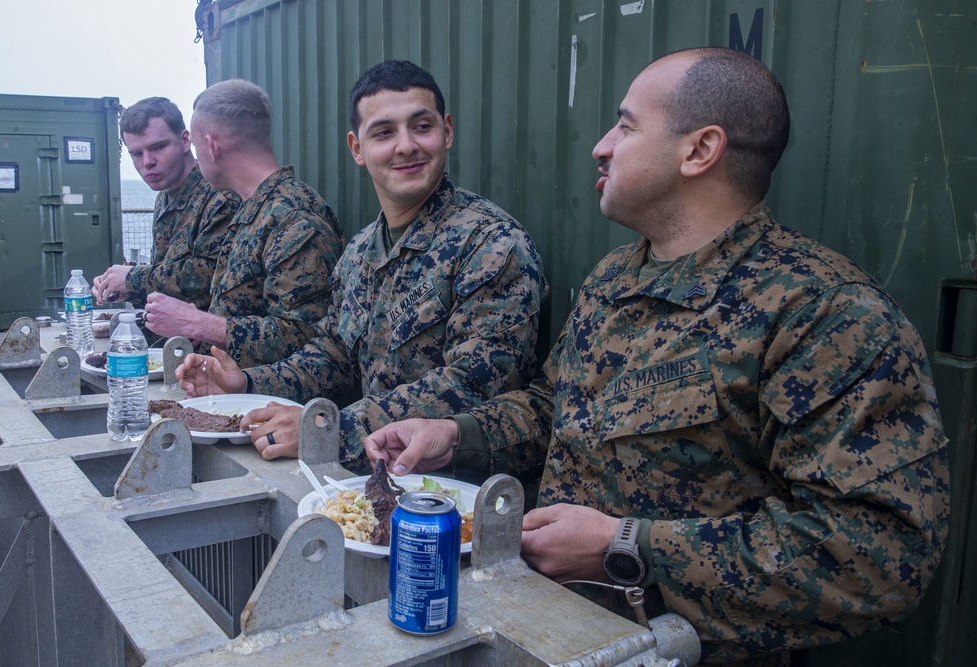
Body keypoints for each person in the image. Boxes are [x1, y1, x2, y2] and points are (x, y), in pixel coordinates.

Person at [363, 48, 950, 666]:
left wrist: (626, 547)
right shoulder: (616, 277)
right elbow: (554, 407)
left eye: (626, 125)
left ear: (699, 150)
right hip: (546, 631)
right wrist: (456, 435)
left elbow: (880, 557)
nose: (602, 145)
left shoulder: (822, 314)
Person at [177, 60, 547, 464]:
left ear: (447, 132)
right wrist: (247, 382)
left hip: (446, 493)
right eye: (384, 132)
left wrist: (327, 429)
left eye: (421, 126)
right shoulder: (360, 252)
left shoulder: (490, 244)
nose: (406, 145)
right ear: (357, 148)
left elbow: (474, 387)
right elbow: (334, 356)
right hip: (364, 479)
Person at [141, 79, 345, 368]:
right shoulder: (256, 209)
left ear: (211, 147)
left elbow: (307, 337)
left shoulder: (293, 217)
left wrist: (200, 324)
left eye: (197, 150)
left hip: (277, 408)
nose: (198, 161)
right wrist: (203, 322)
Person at [91, 97, 238, 309]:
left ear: (185, 141)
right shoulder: (165, 196)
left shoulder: (218, 196)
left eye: (158, 147)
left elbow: (210, 276)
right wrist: (125, 288)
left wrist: (133, 277)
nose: (147, 162)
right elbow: (169, 282)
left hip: (207, 338)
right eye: (137, 153)